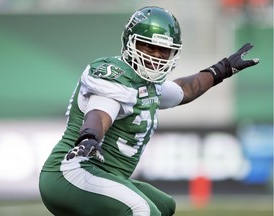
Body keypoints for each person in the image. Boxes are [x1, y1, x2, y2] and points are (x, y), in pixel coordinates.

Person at [39, 6, 259, 216]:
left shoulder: (148, 86)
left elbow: (183, 89)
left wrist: (223, 69)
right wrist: (90, 136)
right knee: (142, 210)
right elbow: (100, 111)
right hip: (72, 171)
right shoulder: (115, 76)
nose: (156, 56)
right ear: (130, 43)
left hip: (102, 174)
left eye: (164, 50)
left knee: (164, 206)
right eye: (148, 47)